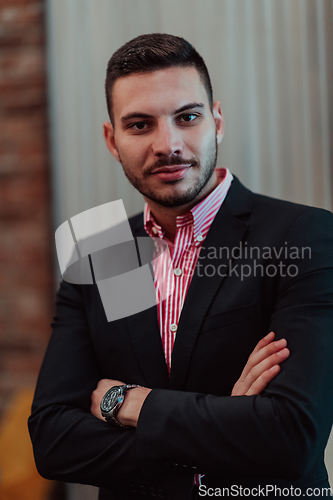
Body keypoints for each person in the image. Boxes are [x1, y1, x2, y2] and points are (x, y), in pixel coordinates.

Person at [28, 34, 333, 500]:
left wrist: (127, 403)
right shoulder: (102, 254)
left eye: (187, 117)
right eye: (139, 125)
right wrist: (226, 426)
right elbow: (54, 441)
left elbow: (292, 436)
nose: (167, 144)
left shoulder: (302, 237)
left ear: (217, 121)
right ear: (112, 140)